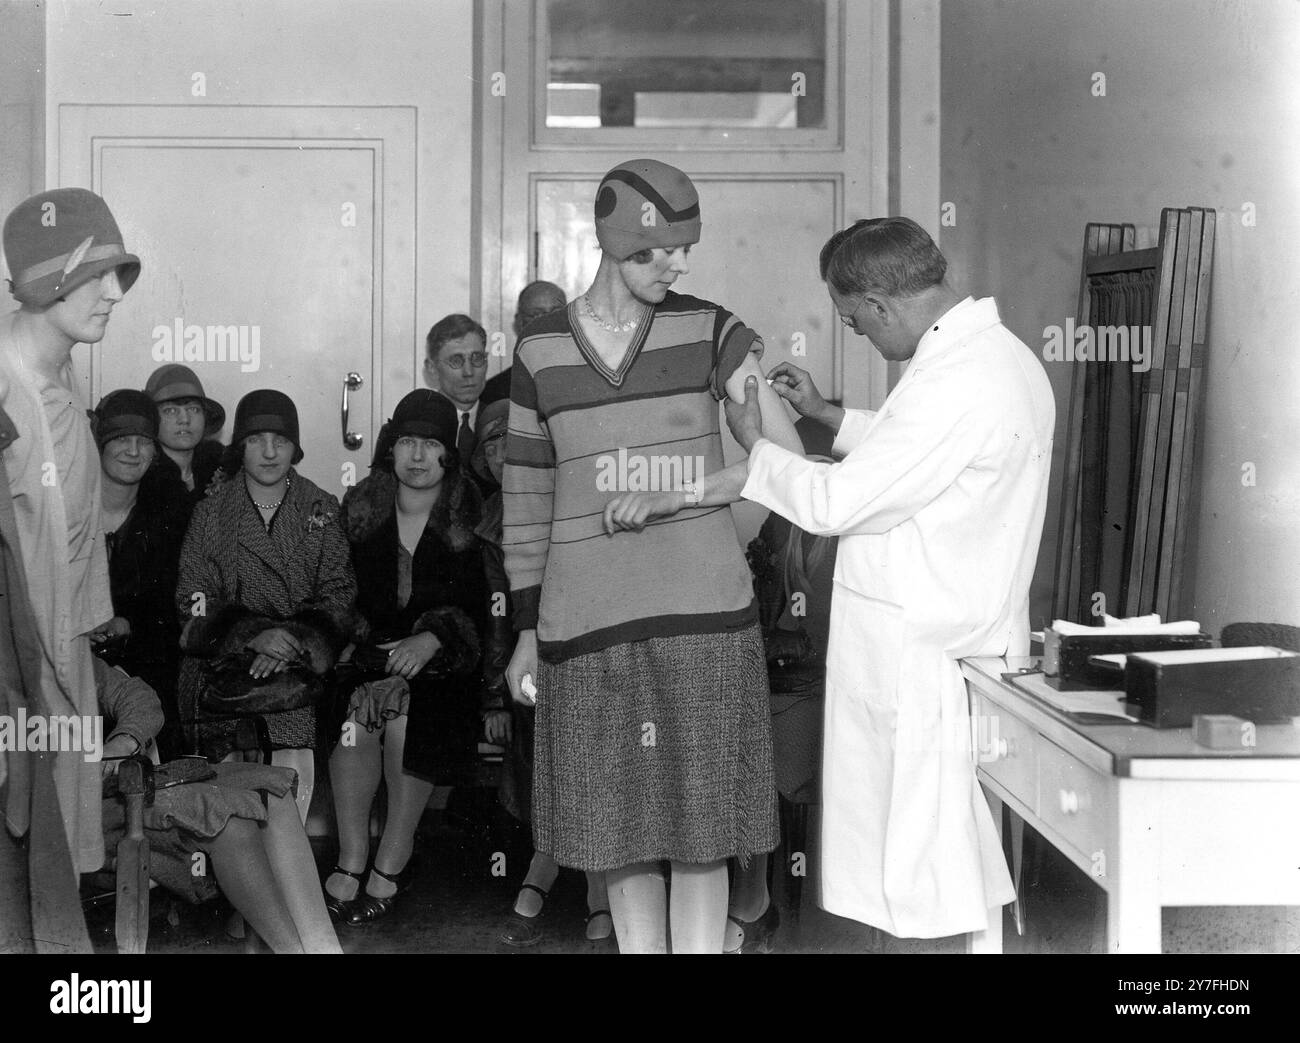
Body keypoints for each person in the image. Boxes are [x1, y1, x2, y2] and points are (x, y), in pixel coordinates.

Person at [723, 217, 1055, 939]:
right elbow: (916, 452)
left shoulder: (955, 379)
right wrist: (826, 416)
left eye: (856, 323)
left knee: (916, 874)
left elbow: (838, 501)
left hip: (920, 654)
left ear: (879, 304)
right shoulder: (994, 358)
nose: (862, 337)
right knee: (933, 861)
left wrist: (756, 445)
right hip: (949, 637)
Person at [502, 158, 802, 954]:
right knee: (617, 828)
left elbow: (789, 462)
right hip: (584, 624)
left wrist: (699, 496)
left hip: (703, 620)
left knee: (702, 828)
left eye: (685, 249)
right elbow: (527, 505)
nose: (680, 265)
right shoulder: (538, 356)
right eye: (659, 250)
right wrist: (527, 632)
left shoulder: (712, 330)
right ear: (614, 242)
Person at [0, 187, 141, 873]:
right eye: (95, 276)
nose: (115, 293)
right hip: (16, 672)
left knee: (59, 857)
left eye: (119, 274)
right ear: (45, 283)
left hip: (66, 652)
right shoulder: (5, 386)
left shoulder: (59, 368)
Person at [325, 389, 488, 925]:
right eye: (407, 443)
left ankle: (392, 860)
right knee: (354, 719)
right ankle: (351, 856)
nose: (417, 456)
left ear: (450, 453)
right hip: (370, 654)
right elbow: (337, 592)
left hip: (446, 666)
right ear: (390, 449)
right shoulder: (362, 506)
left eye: (431, 444)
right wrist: (369, 651)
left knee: (406, 723)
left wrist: (434, 638)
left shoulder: (471, 510)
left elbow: (479, 608)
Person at [175, 389, 356, 824]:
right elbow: (193, 599)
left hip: (298, 666)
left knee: (292, 750)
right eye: (257, 440)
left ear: (296, 447)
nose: (270, 452)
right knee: (227, 794)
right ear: (241, 446)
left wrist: (291, 643)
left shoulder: (321, 508)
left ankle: (283, 860)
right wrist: (253, 636)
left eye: (281, 440)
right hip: (226, 665)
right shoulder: (212, 513)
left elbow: (340, 593)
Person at [474, 398, 611, 945]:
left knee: (587, 739)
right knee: (546, 739)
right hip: (523, 664)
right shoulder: (487, 521)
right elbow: (494, 621)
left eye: (517, 439)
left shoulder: (577, 499)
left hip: (591, 647)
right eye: (492, 442)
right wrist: (492, 698)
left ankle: (566, 879)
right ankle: (564, 874)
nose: (506, 453)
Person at [95, 656, 340, 953]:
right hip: (82, 818)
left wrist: (124, 739)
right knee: (227, 820)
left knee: (270, 790)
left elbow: (140, 697)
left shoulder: (71, 659)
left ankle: (323, 946)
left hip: (120, 789)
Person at [90, 389, 192, 761]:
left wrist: (127, 623)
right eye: (120, 439)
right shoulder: (66, 508)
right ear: (99, 443)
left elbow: (175, 604)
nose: (133, 451)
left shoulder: (170, 514)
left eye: (143, 442)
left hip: (143, 656)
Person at [144, 363, 227, 503]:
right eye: (170, 410)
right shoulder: (140, 476)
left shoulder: (224, 471)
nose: (184, 419)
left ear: (205, 417)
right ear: (152, 419)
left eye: (193, 409)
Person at [481, 280, 567, 405]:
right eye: (538, 315)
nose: (549, 322)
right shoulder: (495, 391)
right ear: (520, 323)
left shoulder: (592, 381)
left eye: (557, 312)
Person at [422, 313, 489, 464]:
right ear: (432, 368)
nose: (469, 372)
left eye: (477, 358)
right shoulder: (410, 429)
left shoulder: (505, 424)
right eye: (456, 361)